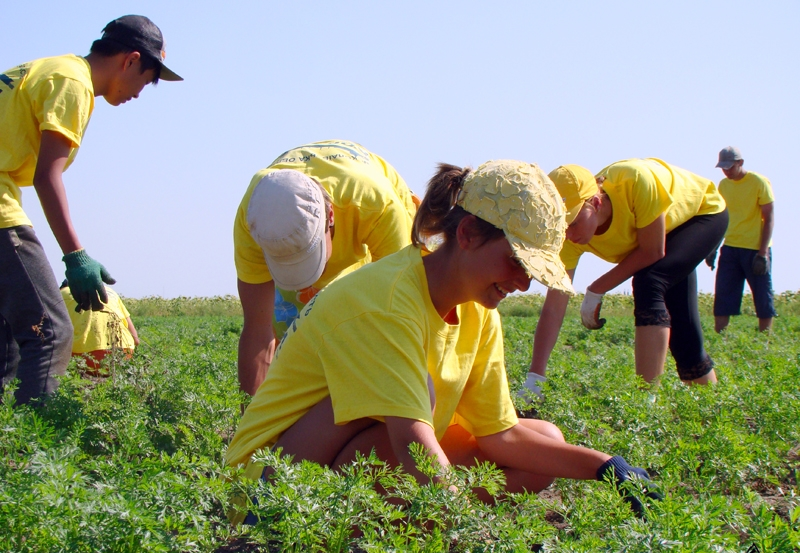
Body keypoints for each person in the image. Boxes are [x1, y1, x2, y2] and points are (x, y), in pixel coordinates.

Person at [226, 159, 660, 524]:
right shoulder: (387, 301)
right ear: (468, 234)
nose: (523, 284)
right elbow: (414, 446)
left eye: (532, 271)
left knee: (544, 438)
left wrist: (604, 466)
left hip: (349, 453)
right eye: (515, 261)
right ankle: (365, 521)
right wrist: (476, 532)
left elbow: (501, 436)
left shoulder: (477, 310)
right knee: (422, 402)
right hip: (268, 484)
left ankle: (417, 517)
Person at [0, 15, 182, 405]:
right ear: (131, 60)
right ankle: (34, 458)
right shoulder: (74, 83)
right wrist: (75, 256)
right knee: (49, 332)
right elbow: (48, 177)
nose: (141, 92)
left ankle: (7, 449)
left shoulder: (50, 68)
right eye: (148, 79)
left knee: (10, 338)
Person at [524, 159, 727, 397]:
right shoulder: (569, 238)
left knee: (648, 282)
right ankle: (713, 406)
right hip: (664, 232)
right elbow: (554, 306)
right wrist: (535, 377)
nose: (567, 234)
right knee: (684, 337)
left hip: (702, 214)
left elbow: (653, 251)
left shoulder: (635, 181)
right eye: (560, 225)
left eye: (573, 222)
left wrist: (596, 289)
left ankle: (644, 404)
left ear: (596, 203)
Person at [234, 140, 418, 395]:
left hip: (372, 216)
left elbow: (402, 319)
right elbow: (258, 331)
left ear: (330, 219)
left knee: (362, 334)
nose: (306, 279)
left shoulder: (377, 205)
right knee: (288, 328)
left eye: (307, 257)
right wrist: (249, 428)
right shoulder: (254, 215)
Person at [710, 146, 776, 333]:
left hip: (755, 249)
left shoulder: (758, 182)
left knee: (763, 297)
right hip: (730, 247)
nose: (726, 171)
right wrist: (713, 248)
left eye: (730, 166)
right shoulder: (723, 185)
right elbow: (720, 217)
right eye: (723, 167)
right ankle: (720, 339)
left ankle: (766, 341)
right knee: (723, 297)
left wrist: (763, 254)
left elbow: (769, 217)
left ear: (740, 163)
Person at [60, 282, 139, 375]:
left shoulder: (61, 294)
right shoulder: (111, 292)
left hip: (85, 357)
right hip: (123, 355)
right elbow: (136, 340)